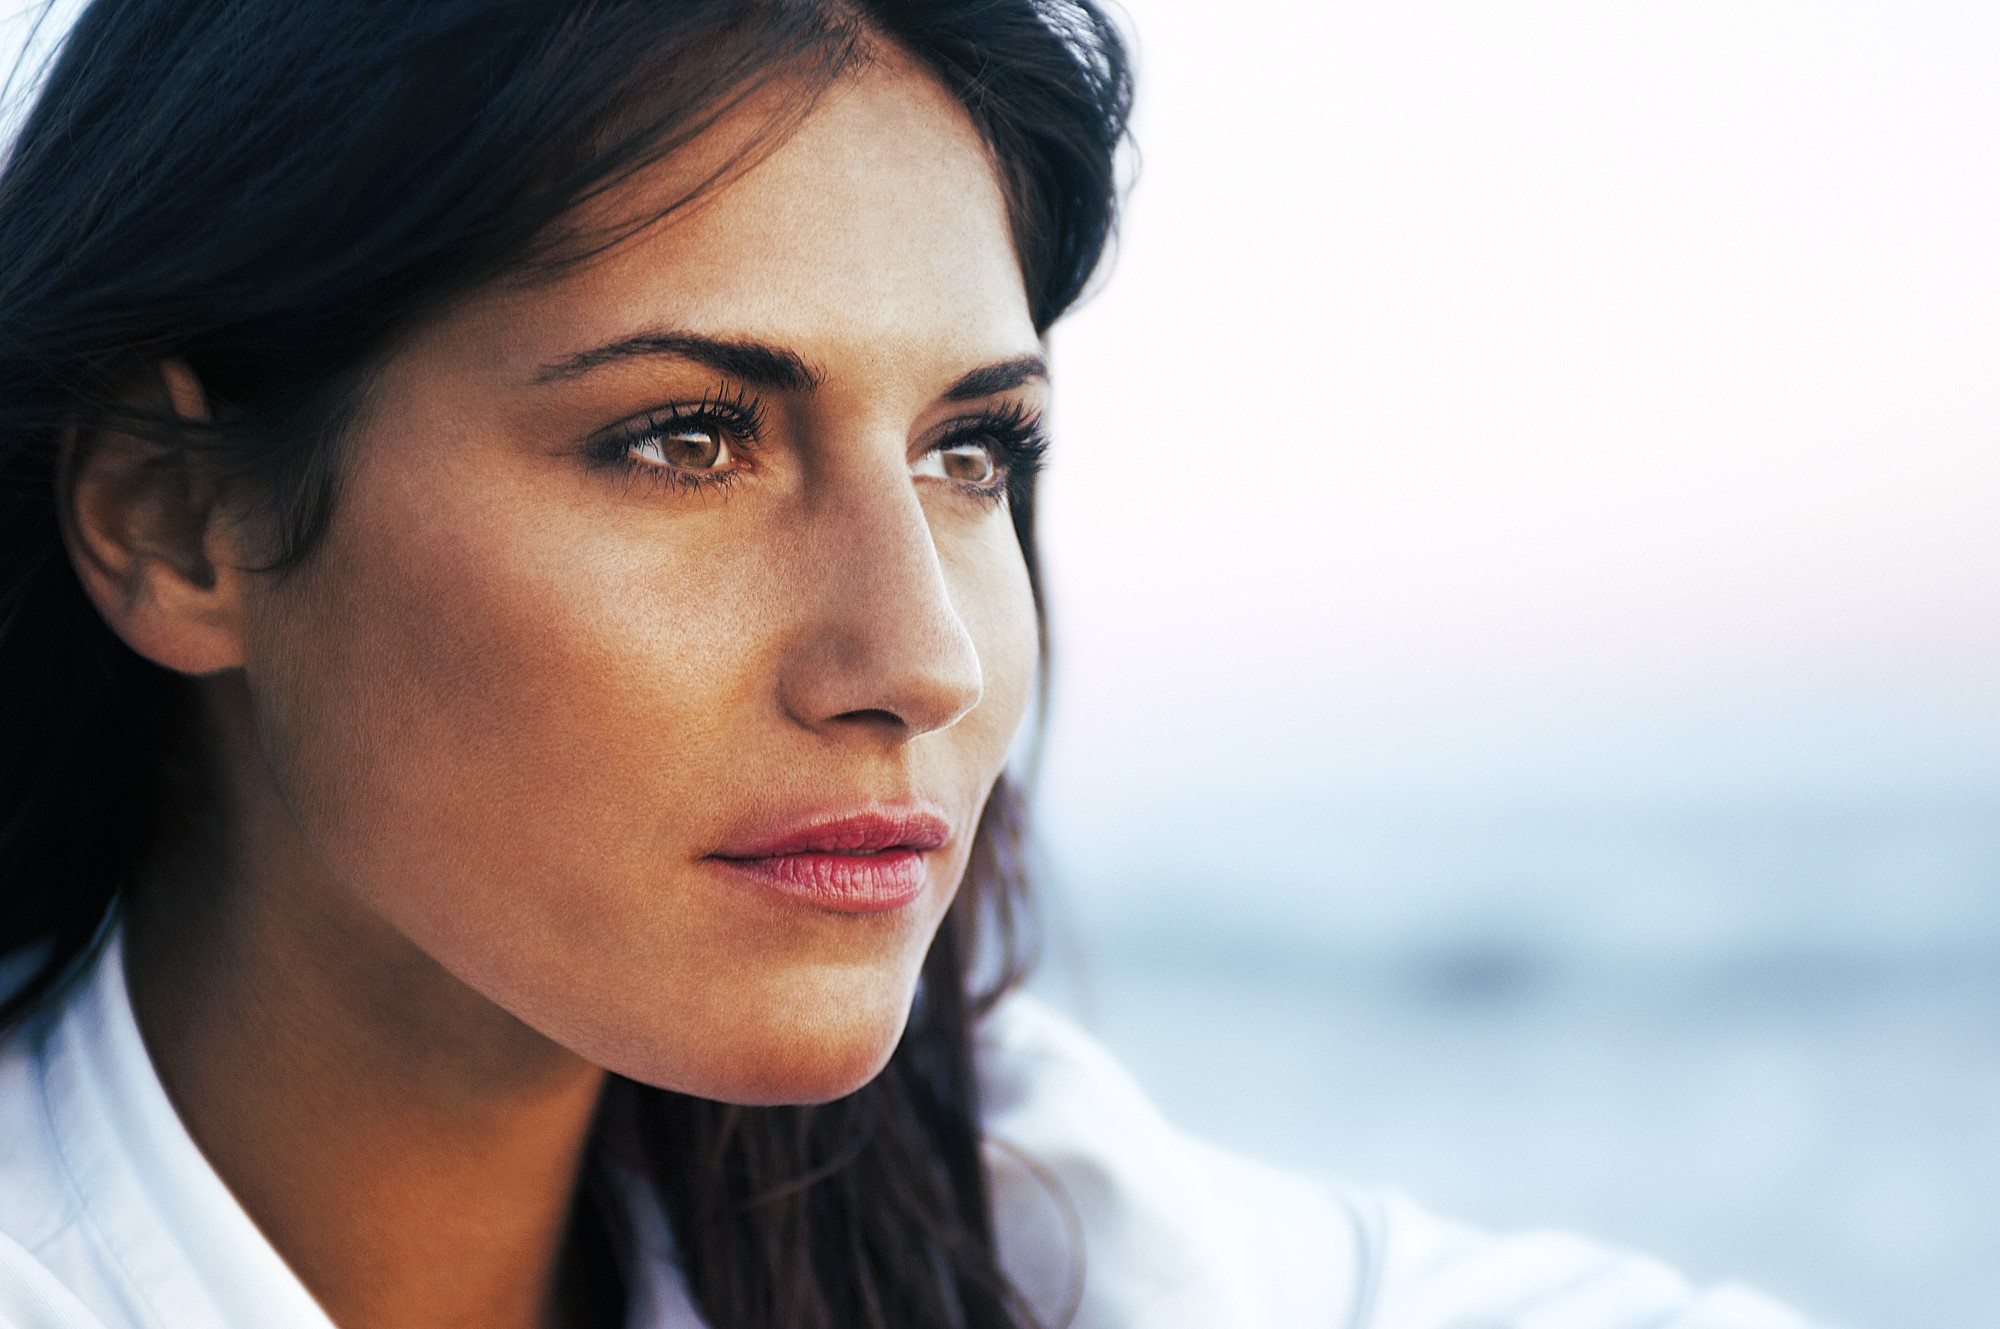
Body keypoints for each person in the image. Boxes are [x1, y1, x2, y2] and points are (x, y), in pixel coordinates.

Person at [0, 2, 1821, 1326]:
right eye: (689, 439)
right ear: (174, 520)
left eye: (969, 453)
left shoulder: (1012, 1219)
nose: (923, 659)